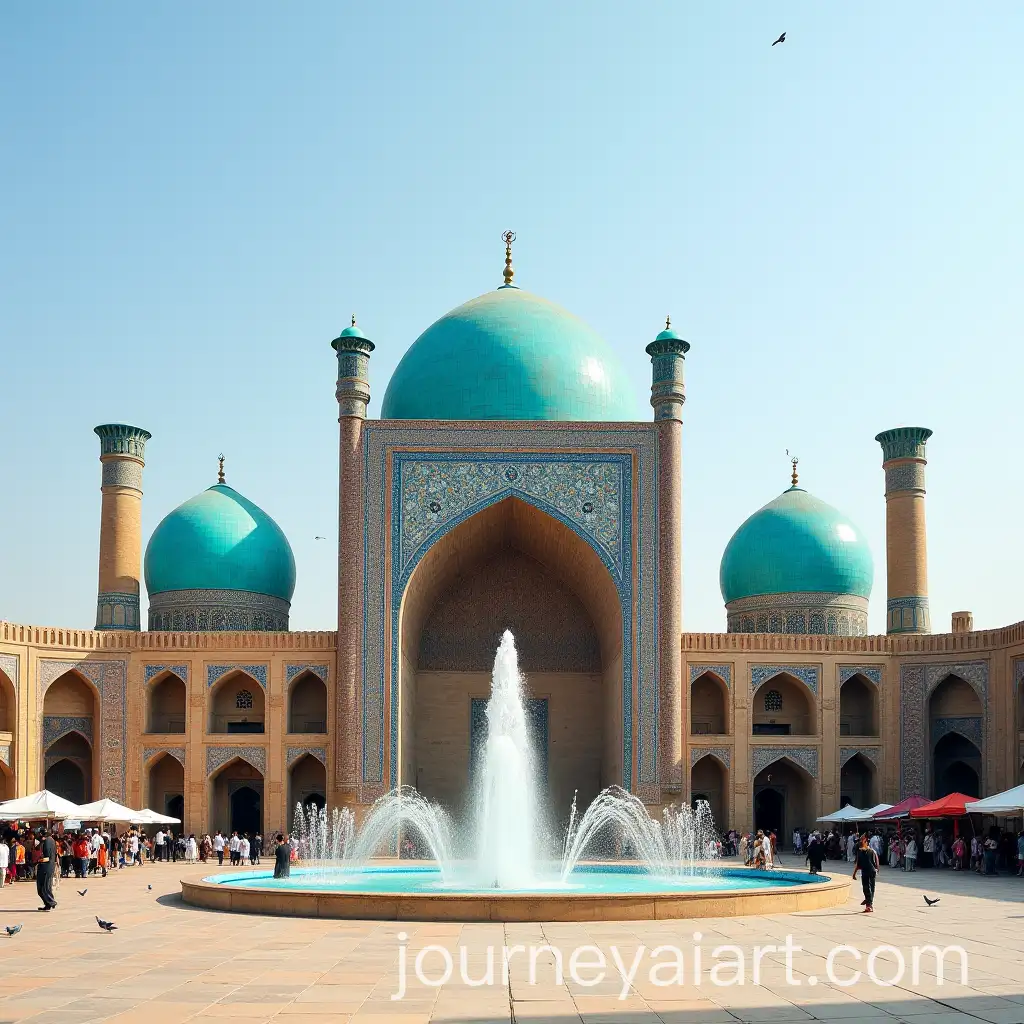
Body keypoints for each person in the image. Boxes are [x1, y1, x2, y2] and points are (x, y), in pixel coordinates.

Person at [852, 833, 879, 913]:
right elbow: (858, 865)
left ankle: (869, 904)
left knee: (871, 888)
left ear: (866, 842)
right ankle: (868, 902)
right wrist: (854, 874)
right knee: (866, 888)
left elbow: (876, 861)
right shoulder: (860, 852)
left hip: (871, 871)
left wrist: (877, 869)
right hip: (865, 872)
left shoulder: (872, 851)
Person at [35, 829, 58, 911]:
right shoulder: (51, 840)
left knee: (43, 886)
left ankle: (51, 902)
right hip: (48, 866)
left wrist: (37, 861)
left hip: (46, 866)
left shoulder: (48, 841)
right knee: (44, 886)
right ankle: (48, 904)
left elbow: (47, 857)